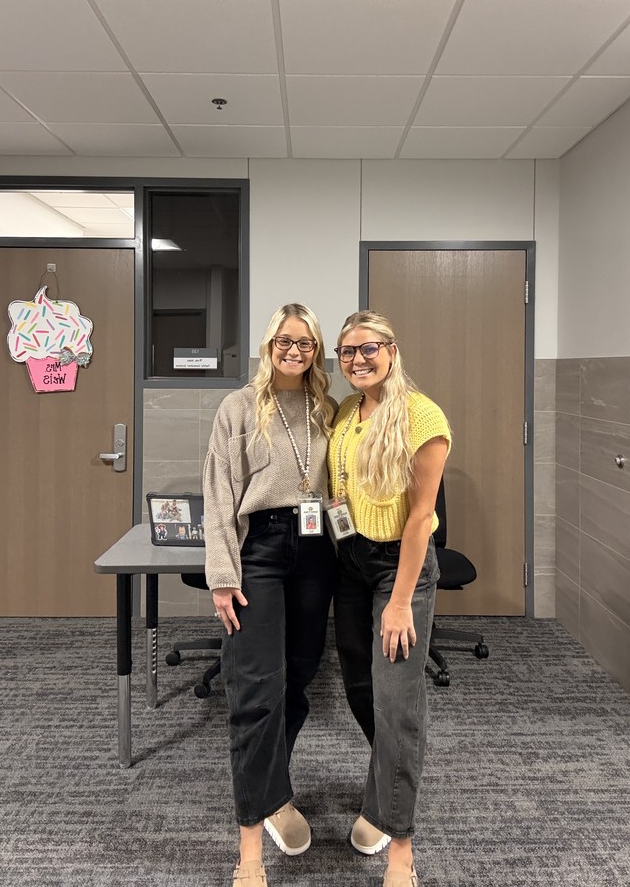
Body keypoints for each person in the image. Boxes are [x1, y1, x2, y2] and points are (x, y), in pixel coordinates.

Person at [204, 303, 337, 887]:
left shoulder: (327, 410)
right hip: (258, 549)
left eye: (306, 343)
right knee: (256, 690)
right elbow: (217, 494)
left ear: (317, 351)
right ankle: (250, 852)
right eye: (285, 340)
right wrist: (222, 574)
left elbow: (337, 493)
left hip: (315, 550)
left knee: (298, 678)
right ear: (268, 344)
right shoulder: (238, 408)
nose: (294, 350)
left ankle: (274, 789)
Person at [328, 310, 451, 887]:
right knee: (358, 682)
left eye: (368, 348)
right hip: (349, 563)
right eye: (347, 350)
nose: (357, 359)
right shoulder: (347, 410)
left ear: (392, 350)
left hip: (398, 571)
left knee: (397, 699)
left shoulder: (422, 416)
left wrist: (400, 601)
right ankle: (384, 796)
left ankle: (401, 847)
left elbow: (422, 516)